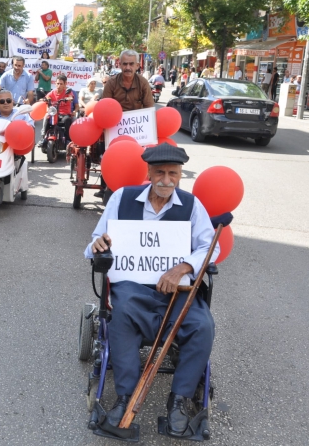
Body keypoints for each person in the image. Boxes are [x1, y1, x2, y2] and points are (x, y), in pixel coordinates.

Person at [85, 143, 219, 436]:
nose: (166, 180)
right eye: (160, 172)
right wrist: (98, 245)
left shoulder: (192, 205)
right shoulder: (122, 198)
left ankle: (180, 400)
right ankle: (124, 397)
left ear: (181, 174)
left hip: (178, 290)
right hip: (132, 286)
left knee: (202, 324)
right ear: (148, 172)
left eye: (173, 173)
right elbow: (96, 239)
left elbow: (210, 246)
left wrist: (184, 267)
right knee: (122, 316)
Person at [99, 49, 154, 198]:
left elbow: (149, 109)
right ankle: (106, 183)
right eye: (125, 64)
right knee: (103, 150)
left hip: (138, 132)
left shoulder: (143, 83)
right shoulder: (111, 84)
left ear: (137, 65)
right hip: (114, 130)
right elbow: (105, 108)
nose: (128, 67)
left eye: (131, 64)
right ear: (120, 64)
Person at [42, 74, 77, 146]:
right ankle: (44, 137)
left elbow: (71, 98)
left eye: (61, 84)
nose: (59, 85)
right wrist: (43, 99)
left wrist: (68, 99)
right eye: (57, 83)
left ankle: (68, 139)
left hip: (64, 114)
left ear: (65, 84)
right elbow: (46, 98)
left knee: (67, 120)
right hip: (54, 113)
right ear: (55, 83)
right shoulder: (52, 92)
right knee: (47, 116)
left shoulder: (68, 92)